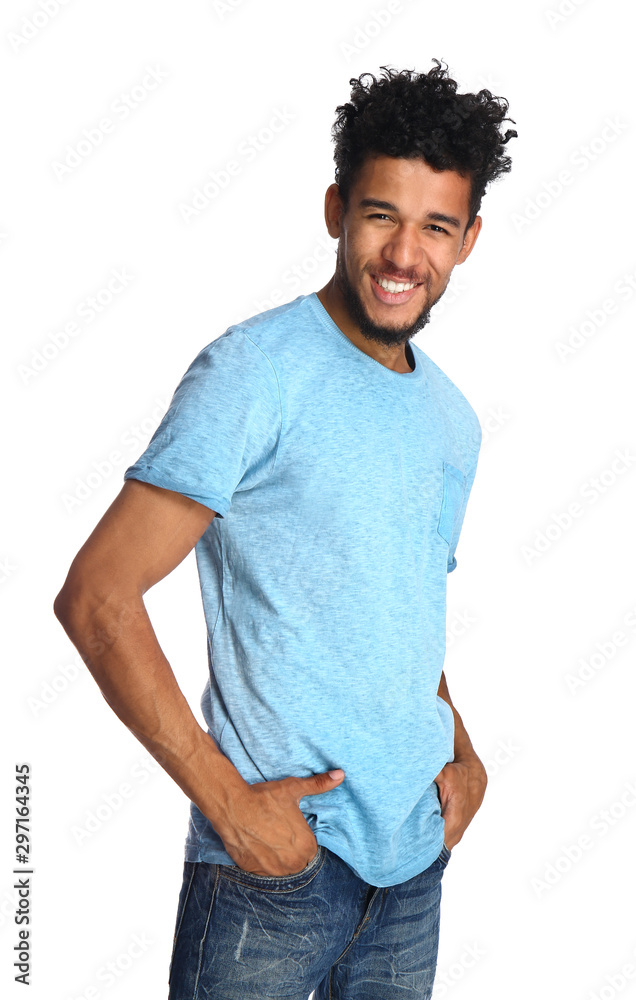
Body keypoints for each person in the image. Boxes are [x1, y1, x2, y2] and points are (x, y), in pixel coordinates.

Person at [54, 60, 517, 999]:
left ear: (468, 240)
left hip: (415, 872)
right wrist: (228, 805)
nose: (403, 255)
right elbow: (97, 597)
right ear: (335, 208)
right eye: (382, 214)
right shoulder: (253, 372)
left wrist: (463, 756)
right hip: (274, 875)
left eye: (435, 226)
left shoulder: (453, 422)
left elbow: (397, 613)